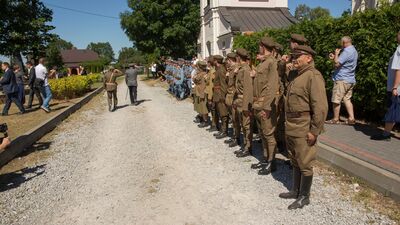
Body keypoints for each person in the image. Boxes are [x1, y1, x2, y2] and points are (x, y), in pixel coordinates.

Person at [279, 45, 328, 210]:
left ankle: (304, 197)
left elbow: (320, 107)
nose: (294, 59)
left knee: (305, 162)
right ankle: (295, 190)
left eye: (297, 56)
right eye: (293, 56)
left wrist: (314, 131)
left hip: (303, 126)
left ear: (309, 57)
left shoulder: (313, 76)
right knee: (294, 159)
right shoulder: (297, 76)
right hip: (292, 124)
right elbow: (281, 74)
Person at [250, 37, 280, 175]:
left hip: (265, 104)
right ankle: (265, 158)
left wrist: (267, 107)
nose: (258, 48)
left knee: (268, 134)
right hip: (258, 103)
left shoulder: (271, 63)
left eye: (259, 46)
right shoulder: (263, 62)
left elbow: (272, 86)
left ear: (263, 46)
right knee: (262, 133)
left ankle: (271, 162)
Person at [372, 31, 400, 141]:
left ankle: (386, 134)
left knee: (392, 110)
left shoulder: (399, 49)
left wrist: (395, 87)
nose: (397, 36)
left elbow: (399, 69)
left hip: (396, 88)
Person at [326, 36, 358, 125]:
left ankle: (335, 119)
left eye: (341, 42)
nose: (340, 44)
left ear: (344, 42)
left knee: (336, 99)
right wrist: (335, 58)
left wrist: (336, 54)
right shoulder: (354, 51)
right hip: (350, 79)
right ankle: (351, 118)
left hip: (342, 79)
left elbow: (337, 64)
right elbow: (344, 63)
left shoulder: (347, 51)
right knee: (347, 99)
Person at [234, 48, 254, 158]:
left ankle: (248, 147)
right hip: (240, 100)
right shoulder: (241, 69)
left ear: (238, 57)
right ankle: (246, 145)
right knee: (243, 124)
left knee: (246, 125)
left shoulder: (245, 70)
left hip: (244, 101)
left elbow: (248, 89)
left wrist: (246, 106)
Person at [224, 52, 241, 147]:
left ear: (231, 60)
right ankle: (235, 136)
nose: (227, 62)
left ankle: (237, 138)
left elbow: (233, 84)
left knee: (235, 119)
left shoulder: (236, 69)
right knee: (233, 119)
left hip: (234, 96)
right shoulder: (230, 69)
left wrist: (231, 75)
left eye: (228, 60)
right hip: (230, 95)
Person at [212, 55, 229, 139]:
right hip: (217, 93)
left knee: (223, 113)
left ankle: (224, 131)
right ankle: (222, 129)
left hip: (220, 94)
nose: (212, 61)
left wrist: (223, 96)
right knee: (220, 112)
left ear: (216, 61)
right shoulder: (218, 69)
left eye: (214, 60)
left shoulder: (221, 69)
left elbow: (223, 84)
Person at [194, 61, 209, 127]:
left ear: (200, 67)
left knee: (203, 107)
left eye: (198, 67)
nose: (197, 68)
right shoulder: (199, 73)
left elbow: (203, 85)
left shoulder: (203, 74)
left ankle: (205, 121)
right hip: (198, 91)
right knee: (199, 106)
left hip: (201, 92)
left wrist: (202, 94)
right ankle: (201, 117)